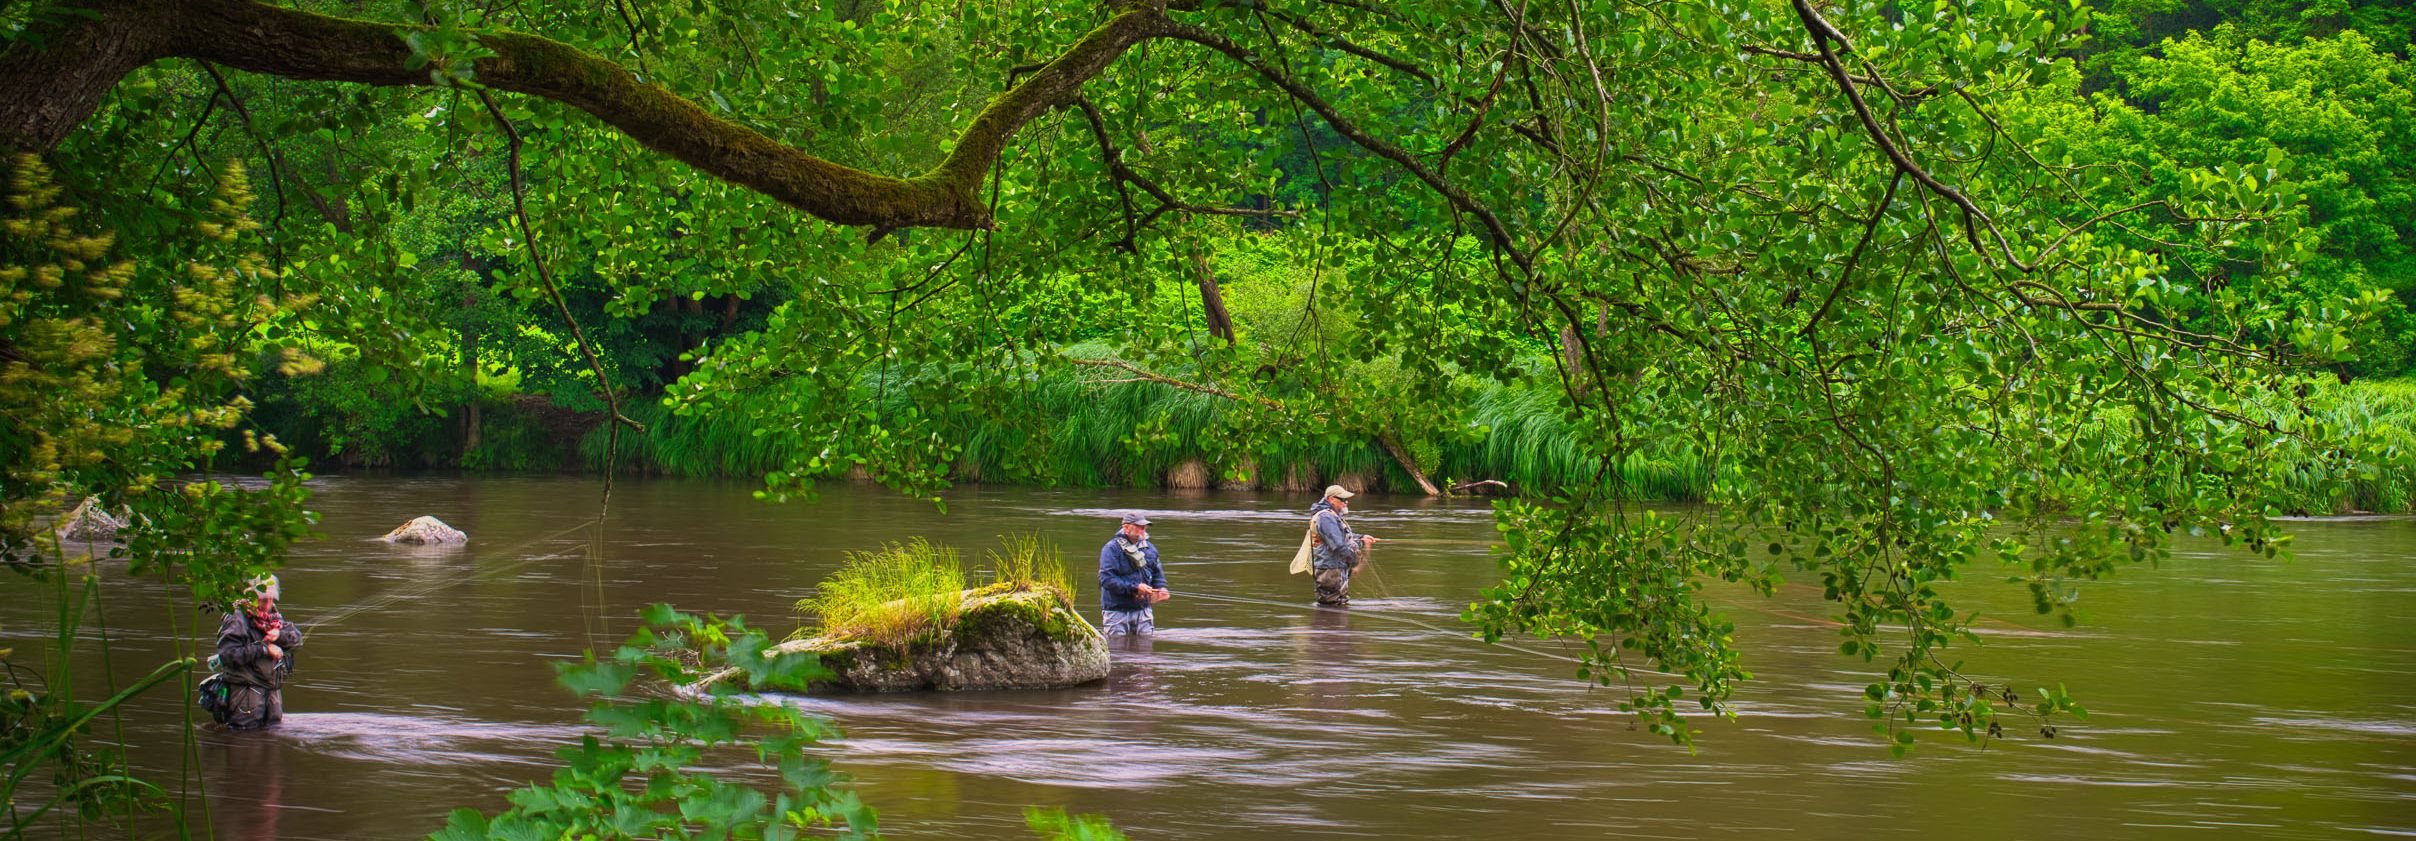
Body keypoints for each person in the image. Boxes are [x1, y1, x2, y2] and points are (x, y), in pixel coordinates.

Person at [213, 575, 302, 729]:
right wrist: (264, 649)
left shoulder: (274, 618)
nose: (267, 604)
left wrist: (279, 635)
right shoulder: (236, 618)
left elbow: (297, 641)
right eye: (262, 599)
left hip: (271, 695)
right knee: (244, 742)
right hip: (245, 696)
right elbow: (228, 655)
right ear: (249, 596)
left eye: (271, 599)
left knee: (272, 739)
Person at [1097, 512, 1170, 636]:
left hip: (1143, 610)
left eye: (1144, 527)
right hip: (1116, 611)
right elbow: (1106, 579)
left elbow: (1157, 573)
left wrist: (1161, 588)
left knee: (1145, 651)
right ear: (1126, 528)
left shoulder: (1150, 549)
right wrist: (1135, 588)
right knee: (1117, 651)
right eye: (1139, 527)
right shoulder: (1111, 549)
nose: (1143, 530)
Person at [1309, 485, 1377, 606]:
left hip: (1336, 570)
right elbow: (1338, 545)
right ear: (1331, 499)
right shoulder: (1325, 517)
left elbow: (1343, 537)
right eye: (1343, 499)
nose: (1346, 502)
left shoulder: (1331, 516)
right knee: (1332, 607)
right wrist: (1354, 561)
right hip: (1330, 571)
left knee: (1339, 606)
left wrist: (1361, 538)